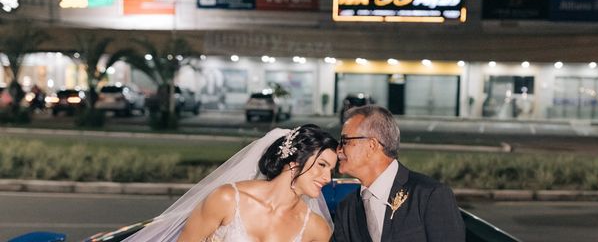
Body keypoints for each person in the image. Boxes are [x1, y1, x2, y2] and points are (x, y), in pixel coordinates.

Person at [125, 125, 338, 242]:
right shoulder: (227, 199)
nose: (327, 178)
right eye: (321, 165)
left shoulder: (317, 229)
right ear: (294, 162)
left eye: (331, 169)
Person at [332, 105, 465, 242]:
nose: (339, 150)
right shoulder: (346, 209)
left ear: (372, 145)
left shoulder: (430, 195)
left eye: (345, 141)